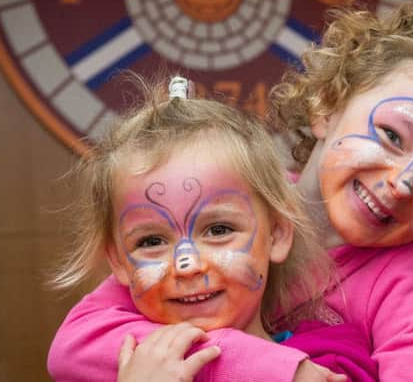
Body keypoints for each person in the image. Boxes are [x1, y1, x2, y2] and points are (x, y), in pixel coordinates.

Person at [48, 1, 413, 382]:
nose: (404, 183)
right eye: (391, 135)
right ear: (325, 107)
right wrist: (279, 369)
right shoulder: (222, 211)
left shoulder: (403, 272)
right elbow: (74, 346)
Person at [47, 75, 341, 381]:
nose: (187, 265)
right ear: (118, 262)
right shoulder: (117, 367)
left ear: (277, 234)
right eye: (152, 241)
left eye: (218, 230)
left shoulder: (331, 360)